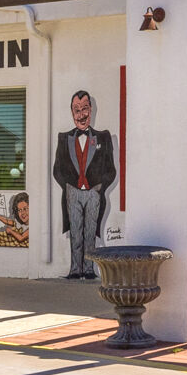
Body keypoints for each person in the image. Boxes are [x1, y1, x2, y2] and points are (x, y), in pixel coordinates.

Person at [50, 88, 116, 280]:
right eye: (77, 110)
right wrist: (68, 187)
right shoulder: (64, 138)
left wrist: (100, 187)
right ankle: (75, 269)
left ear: (91, 109)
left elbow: (111, 169)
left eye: (85, 108)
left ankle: (89, 269)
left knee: (90, 231)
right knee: (75, 231)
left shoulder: (103, 137)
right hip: (72, 192)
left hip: (94, 192)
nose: (81, 114)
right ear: (72, 113)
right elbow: (57, 169)